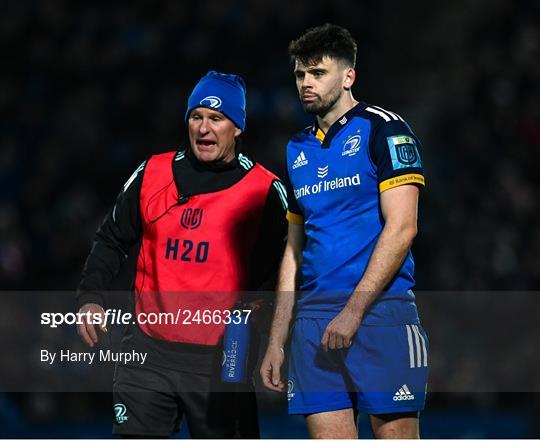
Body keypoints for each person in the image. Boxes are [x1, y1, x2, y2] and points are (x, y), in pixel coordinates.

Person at [77, 71, 287, 438]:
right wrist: (91, 298)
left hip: (222, 359)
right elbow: (111, 239)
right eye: (196, 117)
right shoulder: (152, 173)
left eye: (216, 118)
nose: (204, 128)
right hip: (146, 353)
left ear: (237, 127)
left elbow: (285, 269)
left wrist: (265, 328)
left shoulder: (264, 190)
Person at [260, 24, 429, 439]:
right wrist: (277, 339)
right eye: (300, 74)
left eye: (318, 73)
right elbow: (293, 251)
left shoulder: (385, 130)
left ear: (348, 76)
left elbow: (403, 227)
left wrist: (353, 312)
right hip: (313, 324)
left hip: (380, 314)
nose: (306, 84)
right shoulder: (297, 148)